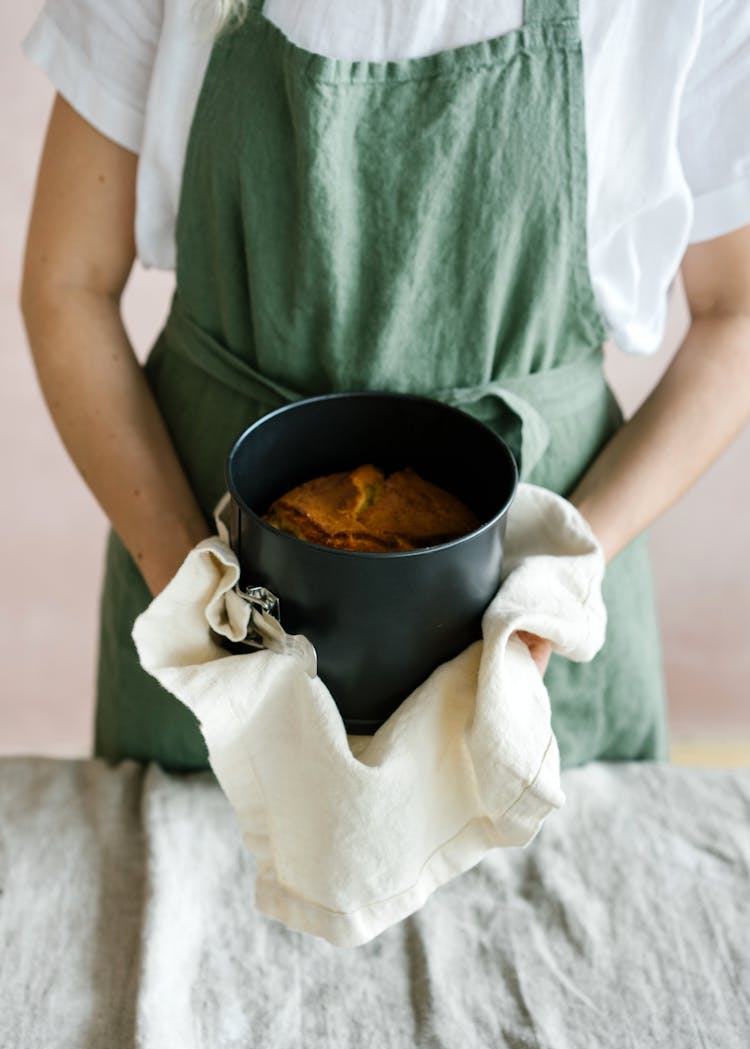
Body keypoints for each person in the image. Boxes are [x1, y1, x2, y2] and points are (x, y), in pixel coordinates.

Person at [20, 0, 750, 771]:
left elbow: (736, 313)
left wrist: (566, 572)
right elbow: (66, 283)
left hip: (531, 626)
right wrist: (189, 586)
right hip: (210, 581)